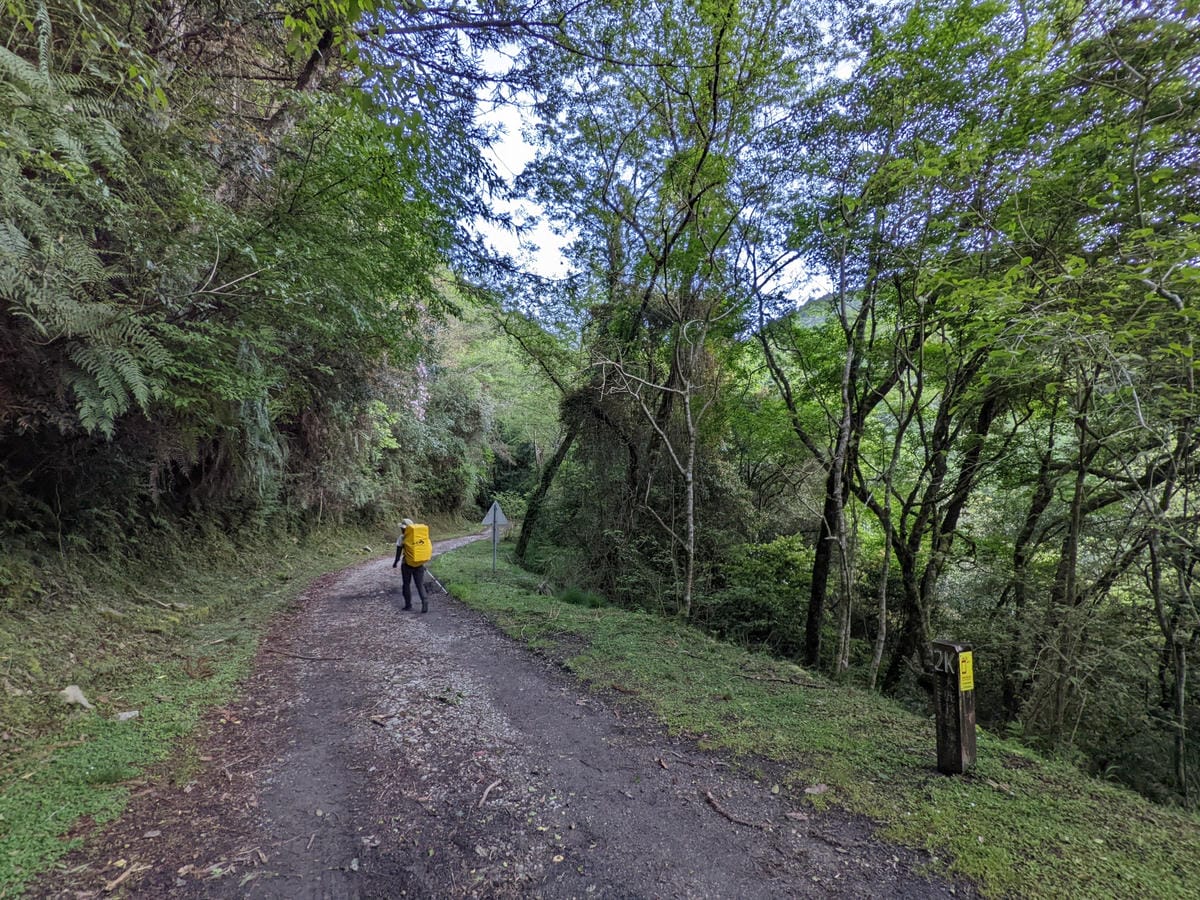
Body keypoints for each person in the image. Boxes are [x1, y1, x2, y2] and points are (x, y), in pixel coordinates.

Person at [392, 518, 429, 612]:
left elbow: (398, 553)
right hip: (419, 564)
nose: (401, 529)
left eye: (402, 528)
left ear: (404, 528)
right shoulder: (420, 537)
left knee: (406, 584)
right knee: (419, 584)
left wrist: (395, 562)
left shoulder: (402, 537)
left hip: (407, 565)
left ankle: (408, 605)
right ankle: (424, 601)